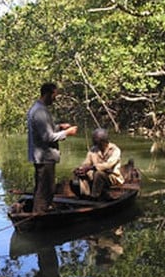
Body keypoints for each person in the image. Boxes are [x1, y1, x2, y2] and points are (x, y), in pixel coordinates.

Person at [27, 83, 78, 212]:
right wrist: (67, 133)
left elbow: (45, 130)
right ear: (48, 94)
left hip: (43, 156)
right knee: (45, 189)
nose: (55, 99)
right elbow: (47, 137)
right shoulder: (40, 111)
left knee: (43, 187)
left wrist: (59, 127)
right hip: (44, 157)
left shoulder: (39, 109)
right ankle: (39, 214)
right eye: (55, 95)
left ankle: (41, 211)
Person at [72, 128, 124, 200]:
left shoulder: (115, 150)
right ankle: (85, 195)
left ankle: (95, 196)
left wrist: (91, 168)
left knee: (98, 174)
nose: (96, 144)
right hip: (95, 176)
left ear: (104, 141)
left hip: (112, 177)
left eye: (98, 142)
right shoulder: (93, 149)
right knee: (82, 174)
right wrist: (80, 169)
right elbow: (86, 163)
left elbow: (108, 165)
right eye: (95, 142)